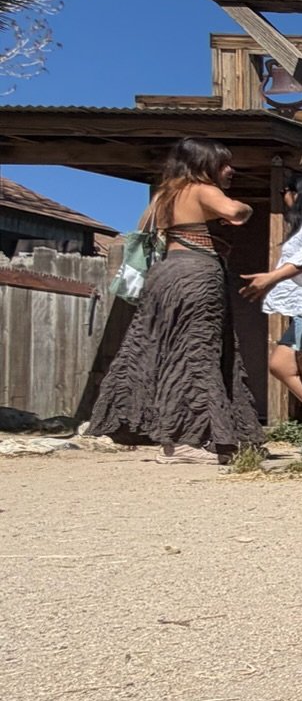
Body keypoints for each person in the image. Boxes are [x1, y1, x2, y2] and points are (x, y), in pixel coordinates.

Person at [89, 137, 264, 464]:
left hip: (164, 275)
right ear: (204, 165)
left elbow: (142, 229)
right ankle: (188, 442)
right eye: (223, 164)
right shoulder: (201, 189)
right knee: (199, 354)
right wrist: (238, 209)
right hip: (196, 275)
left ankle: (183, 438)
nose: (230, 170)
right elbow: (236, 211)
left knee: (167, 352)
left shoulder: (163, 195)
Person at [239, 173, 302, 448]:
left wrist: (272, 277)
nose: (284, 198)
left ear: (298, 193)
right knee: (282, 364)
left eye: (285, 192)